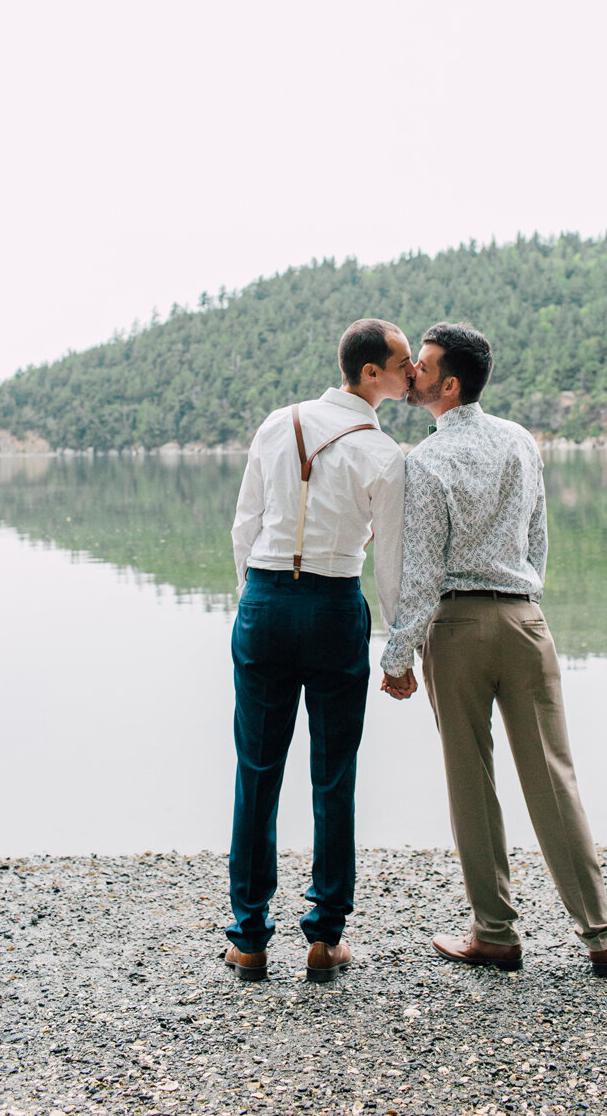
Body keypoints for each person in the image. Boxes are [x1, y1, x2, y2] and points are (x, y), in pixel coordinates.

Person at [381, 322, 607, 976]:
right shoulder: (520, 441)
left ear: (448, 384)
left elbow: (423, 572)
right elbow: (537, 540)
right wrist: (525, 596)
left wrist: (397, 655)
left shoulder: (425, 462)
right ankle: (600, 935)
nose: (412, 374)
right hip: (524, 622)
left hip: (456, 630)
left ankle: (495, 932)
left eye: (422, 367)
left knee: (471, 779)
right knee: (554, 777)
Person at [226, 318, 414, 982]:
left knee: (257, 773)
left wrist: (257, 602)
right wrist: (400, 651)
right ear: (371, 374)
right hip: (335, 607)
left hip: (267, 601)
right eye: (403, 362)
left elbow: (244, 526)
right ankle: (324, 936)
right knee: (333, 778)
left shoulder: (278, 424)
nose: (412, 372)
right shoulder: (384, 455)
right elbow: (390, 566)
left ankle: (248, 939)